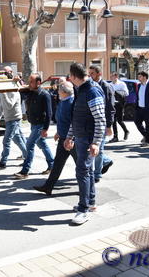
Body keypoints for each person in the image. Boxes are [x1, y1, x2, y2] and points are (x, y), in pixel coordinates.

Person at [64, 63, 106, 225]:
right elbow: (76, 117)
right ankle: (91, 202)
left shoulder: (91, 91)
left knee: (82, 171)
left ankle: (83, 209)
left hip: (88, 140)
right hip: (81, 138)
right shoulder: (81, 90)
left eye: (70, 76)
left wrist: (95, 142)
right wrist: (69, 137)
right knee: (87, 170)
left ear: (74, 77)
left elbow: (100, 119)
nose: (69, 79)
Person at [33, 81, 77, 196]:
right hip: (63, 138)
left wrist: (70, 138)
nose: (57, 92)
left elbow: (74, 122)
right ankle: (48, 187)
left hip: (72, 140)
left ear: (63, 92)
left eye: (58, 90)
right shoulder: (64, 101)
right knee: (57, 164)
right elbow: (62, 120)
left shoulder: (72, 102)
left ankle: (87, 189)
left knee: (82, 166)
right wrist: (58, 132)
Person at [14, 74, 54, 179]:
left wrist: (45, 129)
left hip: (40, 125)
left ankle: (25, 171)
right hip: (33, 124)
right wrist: (18, 80)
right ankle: (52, 165)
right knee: (43, 145)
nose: (29, 83)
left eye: (31, 81)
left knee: (29, 145)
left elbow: (49, 113)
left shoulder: (45, 95)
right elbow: (21, 89)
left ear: (38, 83)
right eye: (29, 81)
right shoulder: (30, 92)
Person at [0, 66, 27, 170]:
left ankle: (3, 163)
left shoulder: (13, 88)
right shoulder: (5, 88)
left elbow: (9, 105)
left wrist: (3, 93)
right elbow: (2, 104)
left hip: (14, 118)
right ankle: (28, 157)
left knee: (6, 141)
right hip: (10, 118)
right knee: (18, 139)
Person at [88, 65, 115, 181]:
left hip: (102, 123)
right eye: (89, 73)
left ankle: (97, 174)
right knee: (94, 148)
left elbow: (110, 108)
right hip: (92, 122)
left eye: (92, 73)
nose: (90, 76)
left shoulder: (106, 87)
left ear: (99, 74)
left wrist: (109, 125)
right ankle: (107, 161)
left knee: (99, 149)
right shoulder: (90, 85)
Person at [109, 72, 129, 143]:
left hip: (119, 105)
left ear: (116, 76)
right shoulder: (110, 85)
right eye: (110, 76)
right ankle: (115, 137)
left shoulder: (122, 84)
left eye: (112, 76)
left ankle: (126, 131)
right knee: (113, 121)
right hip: (113, 104)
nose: (111, 77)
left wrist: (117, 92)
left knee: (120, 121)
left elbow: (126, 93)